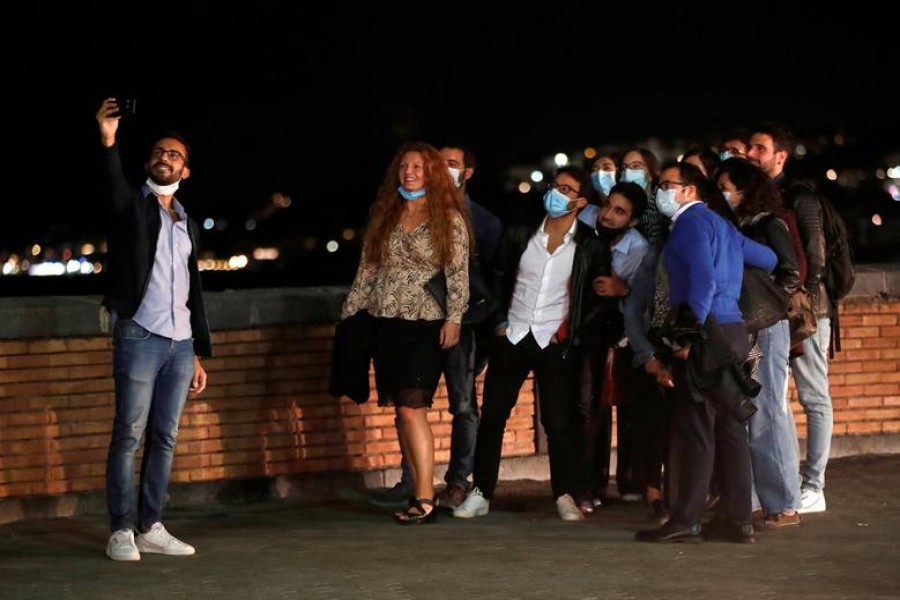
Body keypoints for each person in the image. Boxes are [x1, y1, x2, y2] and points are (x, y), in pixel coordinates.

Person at [453, 166, 616, 522]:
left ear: (580, 201)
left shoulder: (590, 244)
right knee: (494, 417)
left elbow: (598, 298)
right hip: (513, 335)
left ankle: (564, 494)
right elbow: (496, 277)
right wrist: (498, 320)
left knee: (559, 423)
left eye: (566, 189)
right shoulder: (521, 233)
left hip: (554, 342)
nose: (556, 193)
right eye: (555, 186)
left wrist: (570, 334)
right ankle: (481, 491)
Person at [634, 162, 777, 544]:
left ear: (689, 191)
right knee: (730, 428)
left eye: (668, 184)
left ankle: (686, 518)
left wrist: (685, 335)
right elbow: (768, 259)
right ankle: (737, 520)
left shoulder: (692, 223)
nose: (660, 191)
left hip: (705, 332)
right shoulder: (720, 224)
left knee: (695, 427)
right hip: (732, 331)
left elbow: (701, 279)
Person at [96, 98, 211, 561]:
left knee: (165, 436)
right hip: (140, 336)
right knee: (129, 433)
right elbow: (114, 190)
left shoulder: (187, 224)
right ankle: (120, 529)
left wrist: (196, 351)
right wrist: (108, 139)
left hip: (180, 345)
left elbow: (189, 291)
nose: (165, 158)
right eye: (159, 152)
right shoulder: (133, 207)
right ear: (149, 162)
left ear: (185, 170)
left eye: (175, 155)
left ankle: (151, 525)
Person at [342, 142, 471, 524]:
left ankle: (427, 498)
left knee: (413, 407)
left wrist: (455, 317)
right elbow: (367, 269)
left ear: (431, 172)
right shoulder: (385, 212)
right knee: (400, 410)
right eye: (404, 167)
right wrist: (350, 313)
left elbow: (458, 272)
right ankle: (418, 490)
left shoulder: (448, 217)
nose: (410, 172)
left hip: (425, 322)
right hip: (385, 320)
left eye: (418, 166)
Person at [747, 122, 833, 514]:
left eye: (759, 149)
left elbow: (813, 260)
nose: (751, 154)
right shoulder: (764, 197)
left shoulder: (799, 197)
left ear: (780, 155)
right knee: (776, 400)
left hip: (806, 312)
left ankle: (814, 484)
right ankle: (787, 482)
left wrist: (798, 305)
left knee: (813, 396)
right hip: (780, 314)